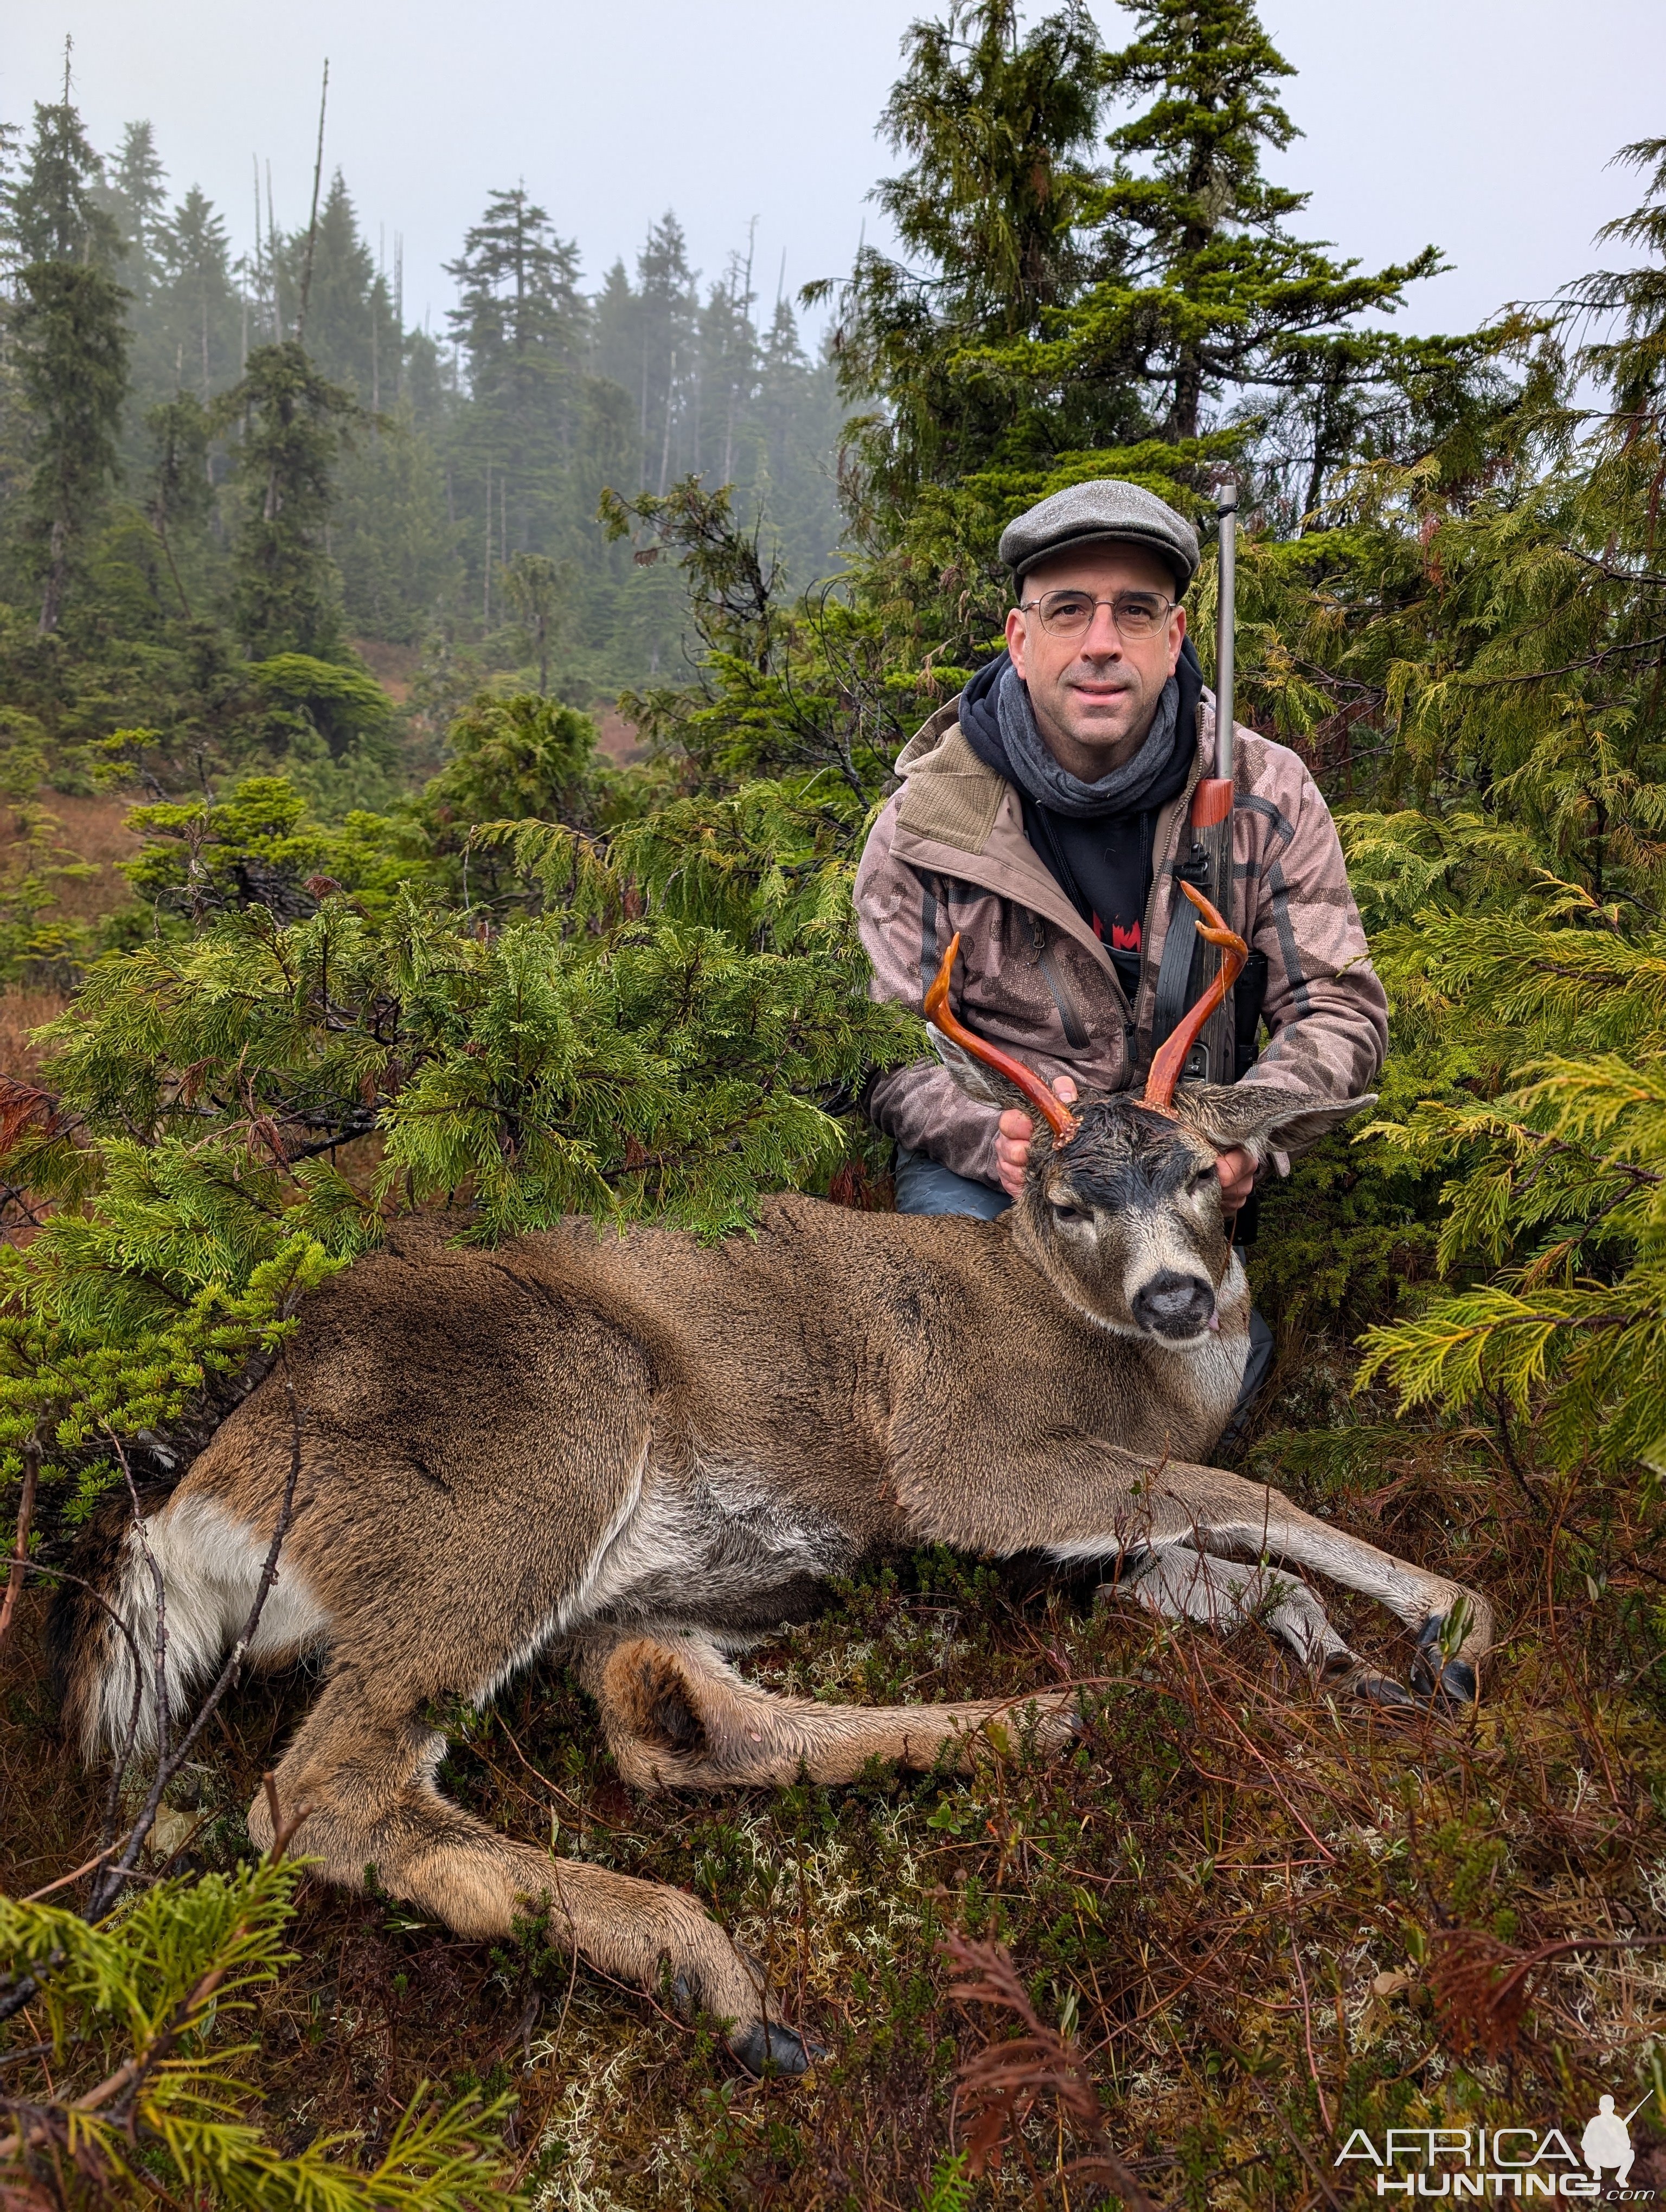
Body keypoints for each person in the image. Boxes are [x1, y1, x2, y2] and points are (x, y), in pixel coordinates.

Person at [854, 479, 1388, 1418]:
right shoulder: (924, 825)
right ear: (1021, 641)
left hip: (1180, 1170)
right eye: (1069, 611)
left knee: (1203, 1380)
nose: (1101, 642)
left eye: (1134, 612)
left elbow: (1339, 1008)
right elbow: (885, 1046)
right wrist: (1000, 1135)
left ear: (1175, 638)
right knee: (976, 1371)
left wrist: (1238, 1138)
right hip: (1005, 1167)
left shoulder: (1263, 793)